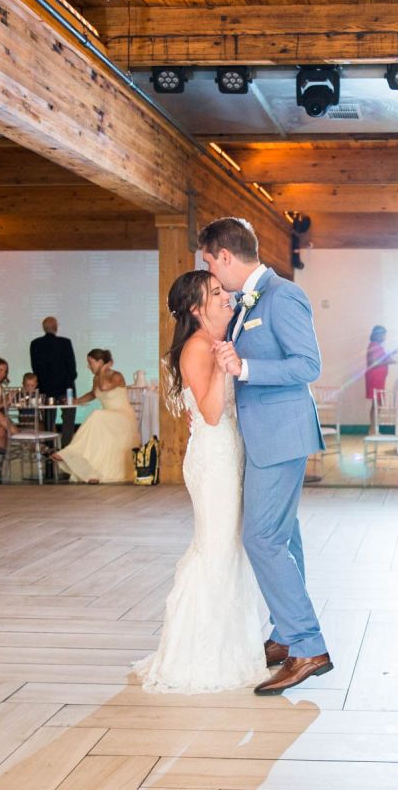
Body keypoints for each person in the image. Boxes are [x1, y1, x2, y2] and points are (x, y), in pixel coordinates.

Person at [204, 217, 331, 695]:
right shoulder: (245, 302)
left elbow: (308, 365)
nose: (211, 274)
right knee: (284, 539)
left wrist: (246, 367)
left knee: (261, 539)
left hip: (281, 434)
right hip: (264, 435)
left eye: (210, 263)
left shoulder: (283, 295)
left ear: (225, 257)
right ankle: (283, 634)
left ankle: (307, 645)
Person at [134, 269, 272, 695]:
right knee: (215, 550)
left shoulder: (212, 343)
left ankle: (231, 648)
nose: (226, 295)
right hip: (213, 460)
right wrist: (222, 363)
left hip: (229, 454)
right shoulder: (196, 348)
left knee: (229, 549)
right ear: (195, 309)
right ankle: (198, 658)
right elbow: (211, 413)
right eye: (215, 293)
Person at [51, 349, 138, 483]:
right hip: (109, 417)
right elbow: (94, 393)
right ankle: (93, 473)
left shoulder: (116, 376)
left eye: (91, 362)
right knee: (98, 421)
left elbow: (103, 387)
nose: (89, 366)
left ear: (101, 362)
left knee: (97, 415)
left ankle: (69, 452)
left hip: (122, 417)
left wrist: (102, 370)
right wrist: (77, 401)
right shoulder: (96, 378)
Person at [30, 316, 79, 446]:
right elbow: (72, 368)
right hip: (66, 388)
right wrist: (70, 381)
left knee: (48, 421)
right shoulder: (65, 342)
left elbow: (35, 368)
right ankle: (66, 447)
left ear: (43, 328)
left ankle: (49, 448)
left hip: (45, 389)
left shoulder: (35, 344)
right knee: (68, 420)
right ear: (56, 328)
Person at [364, 325, 396, 425]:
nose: (384, 337)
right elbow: (374, 362)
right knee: (377, 403)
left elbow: (380, 358)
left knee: (378, 402)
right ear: (378, 335)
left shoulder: (376, 345)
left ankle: (374, 427)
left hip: (378, 378)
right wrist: (389, 362)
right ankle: (373, 428)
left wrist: (389, 355)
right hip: (375, 378)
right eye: (383, 335)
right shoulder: (373, 345)